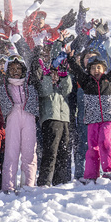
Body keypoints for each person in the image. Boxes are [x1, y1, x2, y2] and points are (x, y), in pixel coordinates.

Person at [67, 47, 111, 182]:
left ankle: (109, 171)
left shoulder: (109, 80)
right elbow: (77, 70)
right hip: (92, 118)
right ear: (89, 70)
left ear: (104, 69)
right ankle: (91, 174)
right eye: (93, 68)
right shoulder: (86, 82)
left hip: (109, 117)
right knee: (92, 147)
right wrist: (70, 58)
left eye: (99, 67)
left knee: (105, 142)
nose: (96, 70)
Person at [32, 42, 73, 186]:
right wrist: (48, 76)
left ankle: (60, 181)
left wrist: (64, 76)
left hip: (64, 118)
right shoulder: (45, 79)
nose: (55, 75)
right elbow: (45, 92)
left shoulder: (61, 82)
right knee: (51, 151)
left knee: (64, 151)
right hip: (50, 118)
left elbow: (67, 90)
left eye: (57, 72)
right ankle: (45, 180)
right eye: (53, 72)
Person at [0, 53, 40, 193]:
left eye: (18, 68)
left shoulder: (30, 83)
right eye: (12, 69)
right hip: (12, 116)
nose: (15, 71)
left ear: (23, 70)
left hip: (28, 115)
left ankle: (28, 184)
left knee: (29, 152)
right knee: (11, 152)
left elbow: (37, 67)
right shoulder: (4, 84)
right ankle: (8, 187)